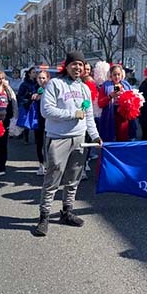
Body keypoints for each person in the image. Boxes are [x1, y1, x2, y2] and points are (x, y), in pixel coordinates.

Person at [34, 51, 102, 237]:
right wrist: (73, 114)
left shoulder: (85, 88)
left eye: (81, 64)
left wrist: (95, 137)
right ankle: (44, 216)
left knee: (74, 179)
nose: (78, 68)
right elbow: (46, 111)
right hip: (58, 138)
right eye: (74, 64)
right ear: (67, 65)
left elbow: (88, 116)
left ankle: (67, 211)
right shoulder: (55, 84)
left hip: (79, 139)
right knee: (52, 180)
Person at [98, 64, 135, 142]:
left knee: (123, 139)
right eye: (114, 74)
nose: (117, 77)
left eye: (119, 74)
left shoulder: (126, 85)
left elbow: (133, 101)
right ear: (110, 75)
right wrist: (110, 96)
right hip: (110, 116)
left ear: (122, 75)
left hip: (123, 117)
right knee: (109, 139)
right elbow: (100, 103)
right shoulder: (105, 86)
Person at [33, 70, 50, 175]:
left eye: (43, 78)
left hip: (49, 120)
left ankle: (49, 164)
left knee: (50, 143)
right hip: (37, 120)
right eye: (39, 78)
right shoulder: (34, 89)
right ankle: (41, 164)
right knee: (39, 143)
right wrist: (34, 97)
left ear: (47, 79)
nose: (41, 80)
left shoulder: (51, 89)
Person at [17, 67, 38, 144]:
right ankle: (26, 138)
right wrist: (27, 97)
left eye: (36, 72)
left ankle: (37, 139)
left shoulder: (37, 83)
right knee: (27, 122)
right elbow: (20, 95)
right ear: (29, 74)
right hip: (27, 104)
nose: (35, 74)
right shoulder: (24, 84)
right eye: (33, 72)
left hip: (35, 104)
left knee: (36, 121)